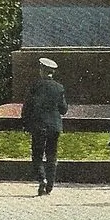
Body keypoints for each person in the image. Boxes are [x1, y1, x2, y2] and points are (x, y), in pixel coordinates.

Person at [20, 57, 68, 196]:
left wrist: (25, 123)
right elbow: (63, 109)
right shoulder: (59, 87)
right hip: (54, 126)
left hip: (38, 125)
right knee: (52, 155)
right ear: (52, 72)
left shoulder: (35, 86)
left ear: (42, 70)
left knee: (37, 155)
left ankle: (42, 179)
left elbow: (27, 107)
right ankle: (50, 185)